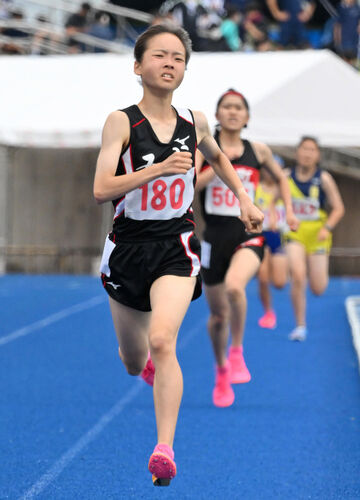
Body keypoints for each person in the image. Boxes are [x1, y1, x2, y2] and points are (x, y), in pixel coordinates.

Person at [93, 25, 263, 486]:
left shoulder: (196, 121)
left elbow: (221, 159)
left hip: (177, 246)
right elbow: (101, 188)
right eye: (160, 55)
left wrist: (245, 199)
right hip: (128, 249)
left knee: (164, 340)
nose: (170, 63)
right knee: (133, 361)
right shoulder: (121, 122)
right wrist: (159, 171)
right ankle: (144, 365)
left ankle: (164, 449)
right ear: (137, 66)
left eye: (178, 58)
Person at [195, 89, 298, 408]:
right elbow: (190, 185)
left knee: (236, 289)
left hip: (248, 233)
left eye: (239, 107)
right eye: (226, 107)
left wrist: (289, 210)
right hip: (213, 237)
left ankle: (237, 352)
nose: (233, 112)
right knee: (217, 316)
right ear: (217, 114)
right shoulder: (204, 149)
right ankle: (221, 368)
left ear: (247, 117)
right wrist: (220, 165)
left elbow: (282, 180)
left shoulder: (259, 150)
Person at [284, 136, 345, 341]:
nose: (307, 154)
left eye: (312, 150)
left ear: (317, 155)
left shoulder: (324, 178)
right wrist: (275, 217)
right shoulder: (286, 176)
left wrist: (327, 228)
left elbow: (338, 208)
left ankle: (311, 276)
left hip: (318, 234)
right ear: (297, 152)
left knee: (318, 288)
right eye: (304, 149)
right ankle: (300, 325)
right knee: (298, 275)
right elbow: (272, 197)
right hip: (295, 232)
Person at [255, 165, 288, 329]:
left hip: (278, 236)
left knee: (280, 282)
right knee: (262, 277)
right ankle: (268, 311)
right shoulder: (256, 188)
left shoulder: (283, 189)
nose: (270, 173)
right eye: (267, 169)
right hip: (262, 235)